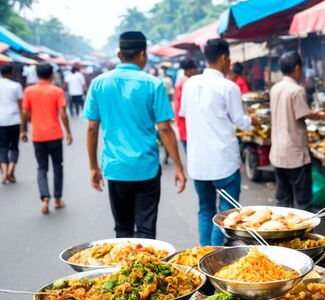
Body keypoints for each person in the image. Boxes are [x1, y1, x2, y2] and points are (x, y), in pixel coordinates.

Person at [84, 31, 186, 238]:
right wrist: (178, 166)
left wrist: (93, 166)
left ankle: (124, 259)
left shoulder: (99, 83)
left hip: (116, 167)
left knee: (122, 229)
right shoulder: (153, 84)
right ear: (142, 54)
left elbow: (92, 129)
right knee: (146, 230)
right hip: (146, 167)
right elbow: (165, 129)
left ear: (119, 55)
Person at [181, 39, 259, 246]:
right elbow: (240, 121)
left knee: (205, 210)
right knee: (227, 213)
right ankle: (214, 255)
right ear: (224, 58)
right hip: (223, 161)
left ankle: (204, 253)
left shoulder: (190, 84)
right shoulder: (229, 87)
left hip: (198, 162)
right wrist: (253, 120)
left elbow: (185, 113)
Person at [269, 51, 325, 211]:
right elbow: (303, 114)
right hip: (294, 154)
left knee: (282, 200)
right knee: (303, 203)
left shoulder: (275, 88)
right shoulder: (297, 90)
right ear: (297, 68)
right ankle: (303, 226)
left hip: (278, 152)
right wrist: (320, 115)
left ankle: (280, 226)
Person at [21, 63, 73, 214]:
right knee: (58, 166)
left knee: (42, 167)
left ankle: (45, 198)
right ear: (51, 75)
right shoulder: (57, 91)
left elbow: (25, 112)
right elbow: (63, 113)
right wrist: (68, 132)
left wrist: (23, 130)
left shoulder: (29, 91)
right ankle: (57, 199)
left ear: (37, 75)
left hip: (38, 136)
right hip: (54, 135)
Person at [0, 64, 23, 184]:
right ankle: (11, 170)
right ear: (11, 72)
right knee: (14, 147)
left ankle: (4, 172)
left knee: (2, 148)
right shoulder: (16, 86)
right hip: (14, 120)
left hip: (1, 121)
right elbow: (21, 104)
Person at [174, 58, 199, 151]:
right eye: (195, 69)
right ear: (189, 70)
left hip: (183, 121)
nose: (196, 72)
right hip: (187, 122)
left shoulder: (181, 81)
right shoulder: (187, 83)